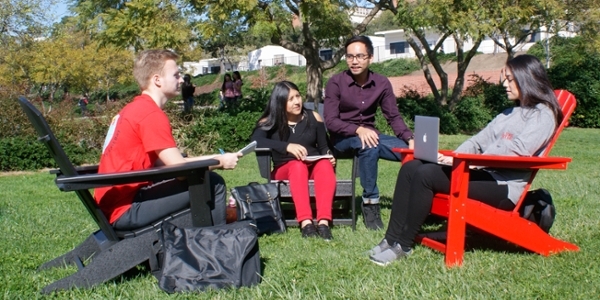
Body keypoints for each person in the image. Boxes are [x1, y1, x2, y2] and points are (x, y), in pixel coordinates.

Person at [368, 54, 564, 266]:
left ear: (526, 78)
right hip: (481, 174)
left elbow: (518, 152)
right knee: (412, 166)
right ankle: (390, 238)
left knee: (426, 174)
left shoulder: (543, 114)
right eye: (504, 78)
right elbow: (476, 142)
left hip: (504, 187)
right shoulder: (508, 113)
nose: (504, 84)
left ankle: (403, 245)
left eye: (509, 79)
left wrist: (471, 162)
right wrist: (454, 159)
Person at [94, 49, 241, 230]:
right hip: (127, 208)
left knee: (199, 179)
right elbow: (179, 169)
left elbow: (167, 164)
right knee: (212, 182)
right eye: (176, 75)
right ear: (157, 80)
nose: (181, 80)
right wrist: (220, 161)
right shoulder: (150, 114)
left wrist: (213, 158)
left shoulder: (134, 109)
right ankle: (216, 244)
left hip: (112, 204)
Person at [323, 35, 414, 230]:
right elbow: (330, 121)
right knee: (367, 143)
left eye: (360, 56)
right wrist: (358, 129)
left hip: (371, 136)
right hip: (342, 139)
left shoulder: (381, 83)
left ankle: (417, 203)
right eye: (349, 56)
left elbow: (393, 116)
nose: (354, 61)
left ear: (370, 58)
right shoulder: (335, 83)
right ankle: (370, 203)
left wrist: (410, 138)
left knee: (414, 153)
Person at [251, 81, 337, 240]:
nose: (297, 101)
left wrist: (329, 155)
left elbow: (324, 146)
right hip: (284, 170)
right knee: (297, 166)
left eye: (298, 96)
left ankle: (323, 222)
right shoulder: (269, 122)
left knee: (324, 164)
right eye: (290, 99)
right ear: (280, 102)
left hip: (312, 167)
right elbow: (255, 142)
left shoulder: (313, 117)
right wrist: (286, 147)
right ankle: (306, 223)